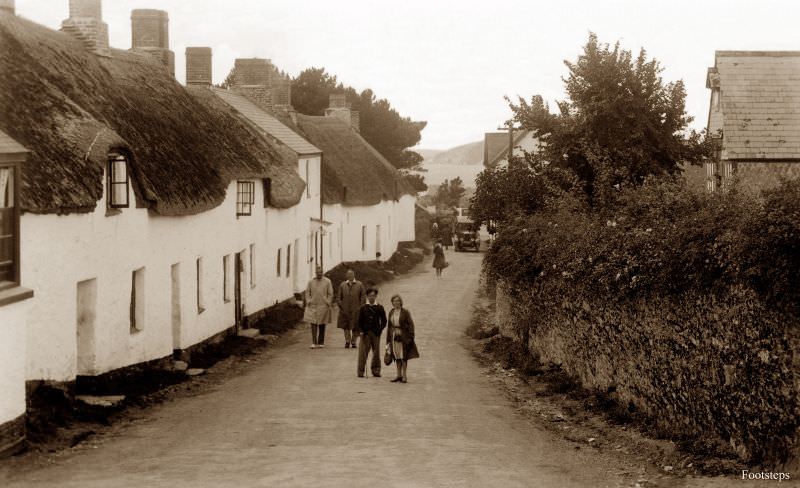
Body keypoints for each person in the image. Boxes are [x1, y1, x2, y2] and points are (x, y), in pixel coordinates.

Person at [386, 294, 419, 383]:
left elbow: (411, 325)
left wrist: (411, 337)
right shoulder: (391, 312)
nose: (396, 302)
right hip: (394, 337)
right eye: (394, 301)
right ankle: (398, 375)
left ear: (401, 302)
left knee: (403, 356)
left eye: (398, 301)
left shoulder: (405, 312)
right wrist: (388, 340)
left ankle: (404, 375)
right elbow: (389, 326)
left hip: (403, 337)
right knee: (397, 356)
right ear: (392, 303)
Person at [356, 287, 387, 378]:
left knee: (376, 353)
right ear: (367, 296)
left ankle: (376, 371)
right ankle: (360, 371)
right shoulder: (363, 308)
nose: (371, 297)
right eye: (370, 296)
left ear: (376, 296)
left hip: (376, 333)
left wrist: (380, 329)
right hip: (365, 334)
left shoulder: (380, 307)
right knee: (363, 353)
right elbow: (359, 321)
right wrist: (361, 331)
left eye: (373, 295)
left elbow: (384, 321)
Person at [303, 266, 333, 349]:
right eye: (317, 273)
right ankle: (314, 342)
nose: (319, 274)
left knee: (322, 324)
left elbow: (330, 293)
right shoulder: (311, 282)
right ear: (315, 273)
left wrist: (328, 302)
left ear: (322, 272)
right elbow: (307, 292)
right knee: (313, 323)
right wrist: (308, 301)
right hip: (313, 305)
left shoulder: (327, 281)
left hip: (323, 305)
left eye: (320, 272)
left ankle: (321, 342)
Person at [337, 268, 366, 348]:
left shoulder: (359, 284)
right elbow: (339, 297)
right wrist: (341, 305)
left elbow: (363, 296)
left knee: (356, 326)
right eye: (348, 274)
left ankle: (353, 341)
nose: (350, 276)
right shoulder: (342, 285)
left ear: (354, 275)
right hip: (345, 309)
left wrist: (361, 306)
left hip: (356, 309)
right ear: (346, 275)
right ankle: (347, 341)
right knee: (345, 325)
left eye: (351, 274)